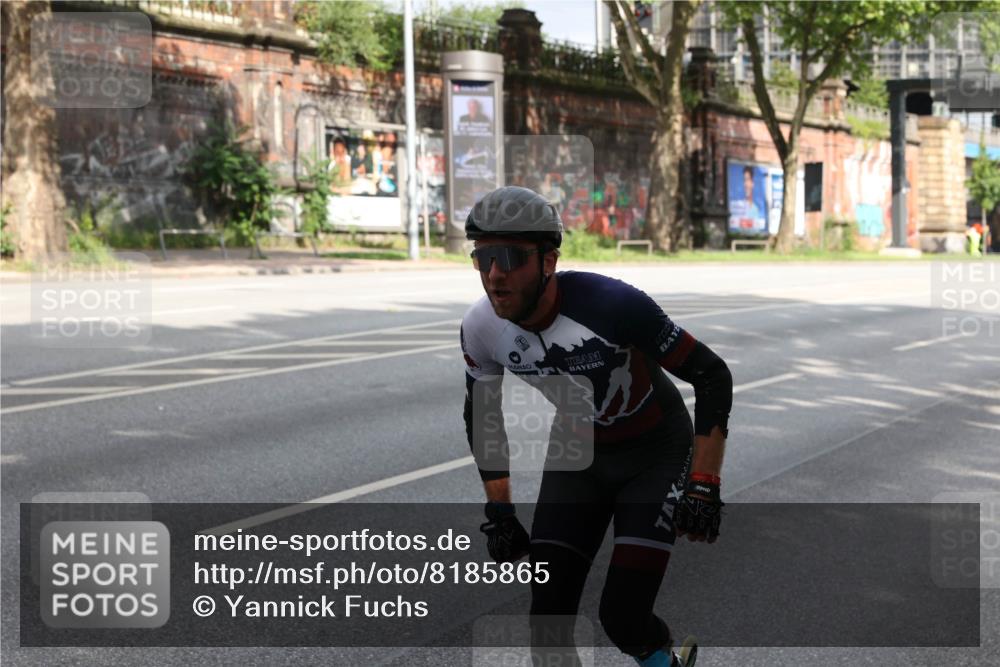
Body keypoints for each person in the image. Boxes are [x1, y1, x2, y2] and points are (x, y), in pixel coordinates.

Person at [460, 186, 732, 667]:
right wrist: (499, 511)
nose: (495, 275)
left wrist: (704, 484)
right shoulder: (481, 327)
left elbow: (711, 375)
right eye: (483, 259)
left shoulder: (613, 304)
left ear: (549, 261)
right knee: (547, 622)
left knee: (623, 616)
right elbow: (484, 418)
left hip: (655, 453)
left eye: (510, 258)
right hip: (577, 456)